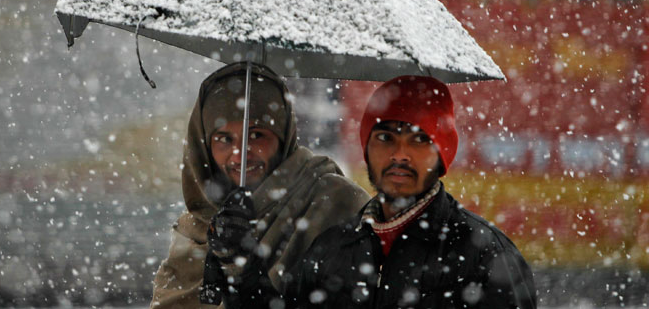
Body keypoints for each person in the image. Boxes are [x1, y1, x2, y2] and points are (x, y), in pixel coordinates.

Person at [217, 75, 537, 309]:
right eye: (385, 138)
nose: (400, 154)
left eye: (418, 140)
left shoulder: (482, 254)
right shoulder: (333, 249)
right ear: (367, 148)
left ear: (443, 154)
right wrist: (244, 266)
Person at [150, 62, 370, 308]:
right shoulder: (199, 227)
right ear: (203, 147)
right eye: (224, 139)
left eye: (256, 135)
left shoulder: (332, 202)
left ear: (283, 136)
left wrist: (243, 269)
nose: (241, 154)